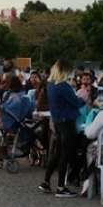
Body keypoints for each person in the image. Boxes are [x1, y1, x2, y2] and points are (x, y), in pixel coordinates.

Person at [38, 59, 85, 197]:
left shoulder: (51, 84)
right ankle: (61, 187)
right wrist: (84, 99)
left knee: (56, 153)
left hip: (57, 121)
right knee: (65, 153)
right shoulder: (63, 86)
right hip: (67, 122)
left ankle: (46, 181)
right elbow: (76, 102)